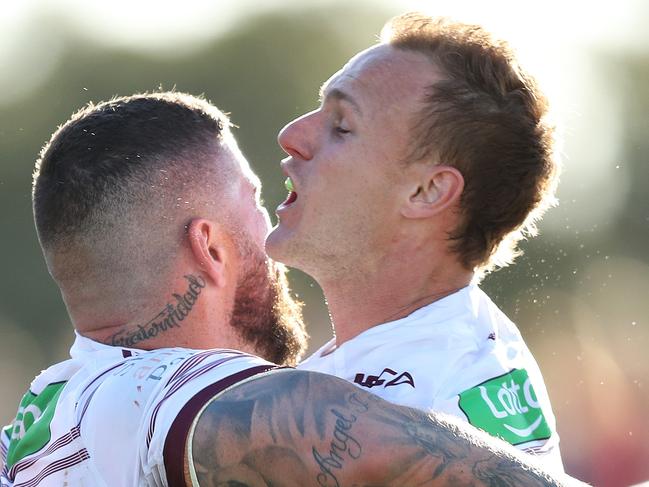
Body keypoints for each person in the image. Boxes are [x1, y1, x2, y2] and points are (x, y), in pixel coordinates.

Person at [0, 92, 578, 486]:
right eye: (253, 202)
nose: (272, 227)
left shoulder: (55, 415)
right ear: (210, 246)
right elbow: (314, 420)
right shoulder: (136, 395)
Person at [266, 12, 564, 471]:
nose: (292, 136)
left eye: (342, 126)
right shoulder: (405, 358)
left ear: (427, 192)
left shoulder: (451, 390)